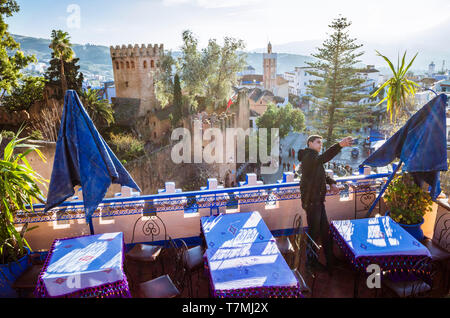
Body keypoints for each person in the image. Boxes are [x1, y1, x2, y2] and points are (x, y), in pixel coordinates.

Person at [298, 135, 353, 272]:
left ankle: (330, 259)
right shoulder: (308, 157)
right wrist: (339, 145)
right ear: (310, 143)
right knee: (314, 233)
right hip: (312, 202)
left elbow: (320, 172)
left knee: (324, 232)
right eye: (317, 142)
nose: (320, 144)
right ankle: (311, 263)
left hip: (317, 201)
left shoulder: (313, 157)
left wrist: (331, 182)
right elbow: (324, 158)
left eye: (321, 142)